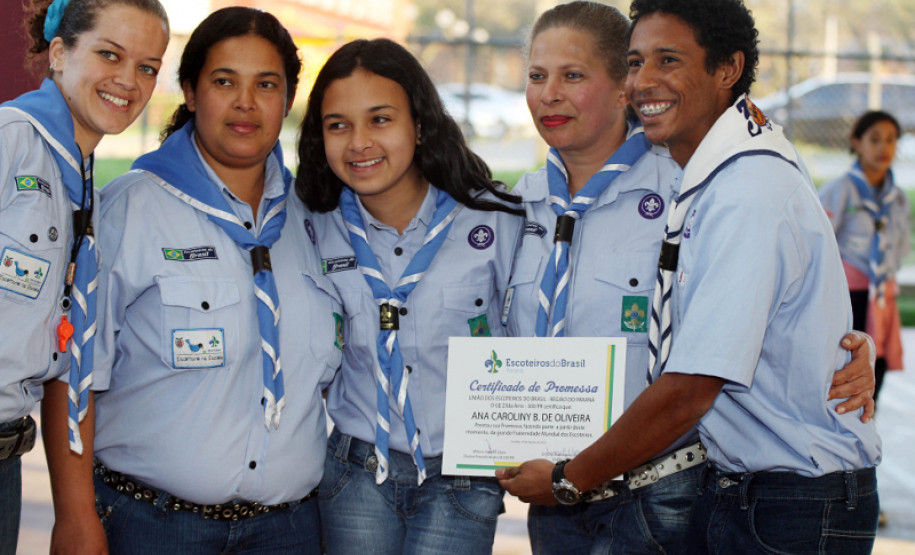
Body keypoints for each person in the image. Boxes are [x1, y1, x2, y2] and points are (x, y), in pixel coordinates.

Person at [499, 0, 881, 553]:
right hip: (733, 492)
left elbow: (692, 385)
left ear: (727, 68)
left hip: (742, 493)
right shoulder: (514, 206)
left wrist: (567, 478)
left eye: (668, 60)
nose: (645, 80)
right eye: (637, 62)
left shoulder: (724, 189)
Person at [82, 8, 339, 553]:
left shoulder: (319, 220)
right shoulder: (131, 208)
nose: (246, 103)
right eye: (225, 82)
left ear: (288, 100)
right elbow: (76, 377)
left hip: (291, 530)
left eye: (266, 84)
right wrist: (76, 514)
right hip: (152, 526)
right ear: (191, 92)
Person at [295, 38, 524, 554]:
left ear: (419, 125)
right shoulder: (310, 226)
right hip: (355, 473)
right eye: (338, 125)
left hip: (463, 472)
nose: (359, 143)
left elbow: (529, 341)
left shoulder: (496, 219)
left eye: (380, 120)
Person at [0, 0, 168, 553]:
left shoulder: (80, 180)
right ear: (58, 53)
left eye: (147, 66)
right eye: (109, 55)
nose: (128, 80)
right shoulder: (11, 141)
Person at [820, 111, 908, 404]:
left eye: (891, 140)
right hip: (850, 294)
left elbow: (901, 243)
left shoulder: (896, 197)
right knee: (848, 363)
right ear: (856, 142)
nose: (884, 147)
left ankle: (870, 424)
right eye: (875, 139)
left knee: (877, 363)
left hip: (882, 294)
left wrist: (885, 275)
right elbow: (821, 241)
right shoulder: (839, 190)